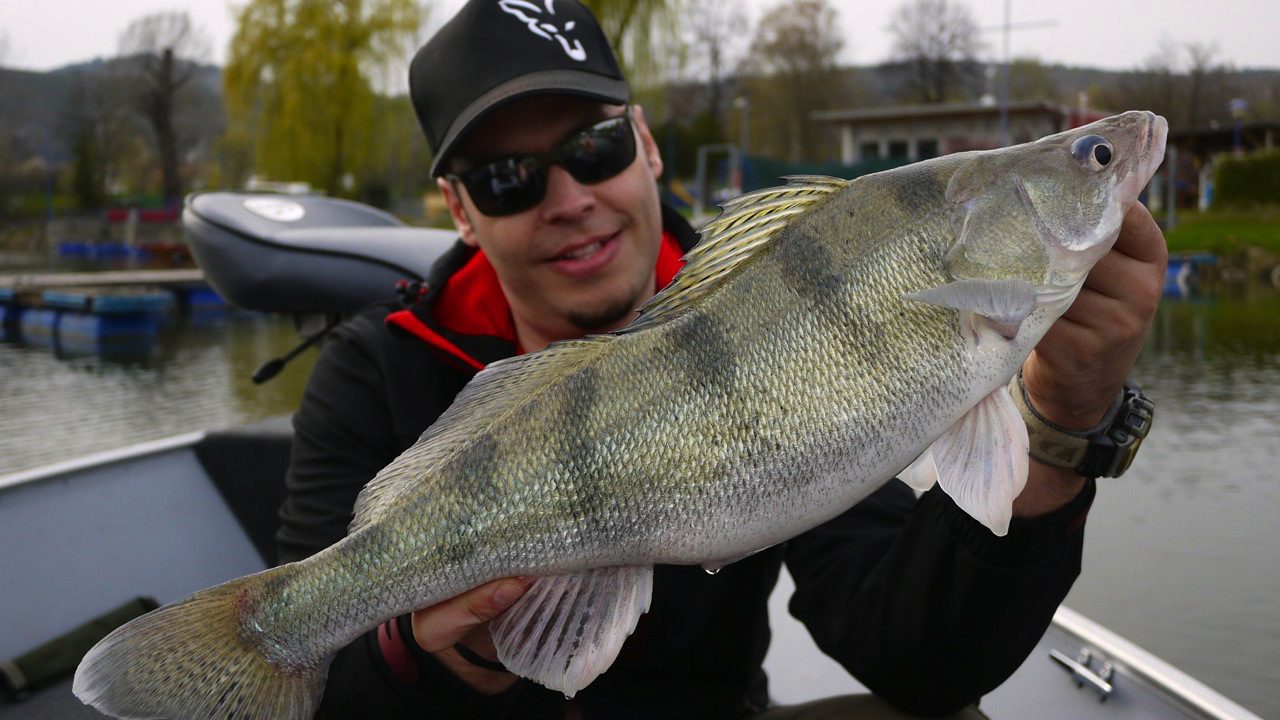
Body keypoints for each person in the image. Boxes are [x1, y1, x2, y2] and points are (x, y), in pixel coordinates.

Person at [277, 1, 1167, 718]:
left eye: (596, 147)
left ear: (647, 145)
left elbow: (921, 663)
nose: (571, 198)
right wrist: (462, 651)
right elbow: (335, 688)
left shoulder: (777, 317)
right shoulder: (373, 372)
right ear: (460, 211)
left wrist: (1063, 423)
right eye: (508, 178)